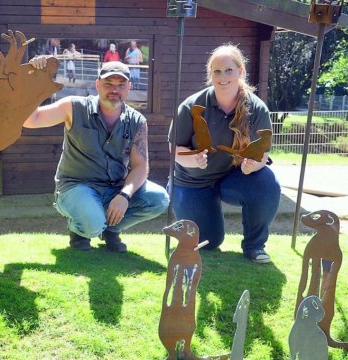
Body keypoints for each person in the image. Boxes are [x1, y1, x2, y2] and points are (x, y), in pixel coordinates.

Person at [25, 59, 169, 253]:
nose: (114, 90)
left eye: (121, 85)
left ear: (129, 87)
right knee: (92, 225)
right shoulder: (73, 107)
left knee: (159, 198)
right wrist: (32, 77)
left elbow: (140, 167)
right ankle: (79, 230)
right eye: (108, 84)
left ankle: (110, 229)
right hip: (76, 187)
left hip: (115, 188)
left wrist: (124, 196)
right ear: (98, 84)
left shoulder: (137, 121)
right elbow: (30, 119)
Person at [167, 44, 280, 264]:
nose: (223, 76)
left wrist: (253, 165)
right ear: (210, 75)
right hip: (193, 181)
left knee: (266, 181)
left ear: (240, 72)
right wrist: (192, 159)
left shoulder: (257, 109)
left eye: (228, 70)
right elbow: (175, 150)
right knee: (208, 243)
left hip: (232, 176)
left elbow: (262, 155)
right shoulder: (192, 106)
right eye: (216, 71)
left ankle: (255, 246)